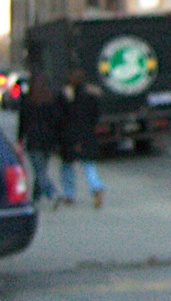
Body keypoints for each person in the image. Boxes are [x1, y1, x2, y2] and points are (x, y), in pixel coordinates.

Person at [58, 69, 106, 208]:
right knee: (88, 165)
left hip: (70, 136)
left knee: (67, 166)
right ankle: (96, 186)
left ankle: (69, 194)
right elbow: (96, 116)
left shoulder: (68, 97)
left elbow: (62, 116)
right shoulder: (91, 96)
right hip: (88, 135)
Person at [16, 72, 61, 203]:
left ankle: (52, 193)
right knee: (41, 170)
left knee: (39, 171)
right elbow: (56, 120)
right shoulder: (51, 101)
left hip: (33, 139)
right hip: (48, 140)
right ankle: (36, 198)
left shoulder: (27, 101)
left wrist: (19, 140)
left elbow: (23, 123)